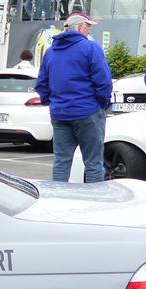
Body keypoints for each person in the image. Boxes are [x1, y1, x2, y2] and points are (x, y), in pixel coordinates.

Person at [35, 12, 113, 181]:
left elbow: (41, 83)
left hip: (60, 113)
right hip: (88, 111)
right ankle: (95, 202)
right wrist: (101, 103)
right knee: (93, 163)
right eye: (88, 27)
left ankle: (58, 200)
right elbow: (103, 80)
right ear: (80, 27)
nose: (89, 31)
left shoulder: (51, 52)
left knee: (61, 162)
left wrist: (52, 102)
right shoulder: (90, 47)